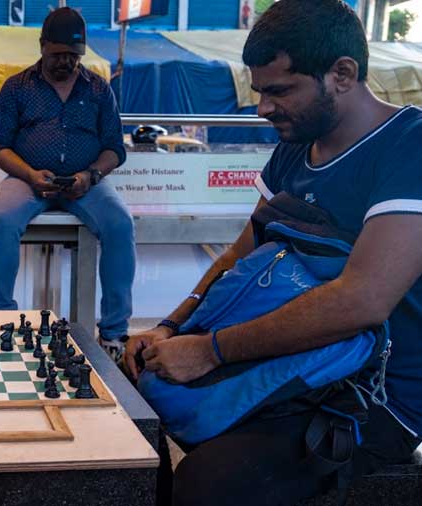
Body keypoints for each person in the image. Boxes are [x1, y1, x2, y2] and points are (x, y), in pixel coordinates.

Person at [123, 2, 422, 504]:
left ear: (342, 74)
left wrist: (209, 350)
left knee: (207, 482)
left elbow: (361, 301)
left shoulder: (409, 148)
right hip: (285, 360)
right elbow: (238, 256)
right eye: (259, 90)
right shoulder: (296, 147)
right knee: (135, 411)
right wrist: (171, 327)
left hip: (373, 396)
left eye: (279, 90)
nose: (262, 107)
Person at [0, 7, 134, 361]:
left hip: (85, 181)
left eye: (74, 55)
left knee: (120, 225)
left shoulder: (98, 89)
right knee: (4, 221)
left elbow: (115, 149)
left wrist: (90, 176)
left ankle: (114, 333)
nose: (66, 62)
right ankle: (0, 318)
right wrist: (30, 175)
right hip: (28, 177)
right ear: (42, 46)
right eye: (58, 54)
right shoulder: (17, 87)